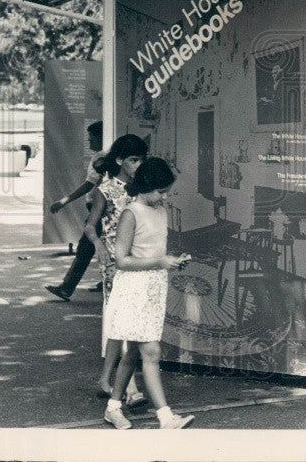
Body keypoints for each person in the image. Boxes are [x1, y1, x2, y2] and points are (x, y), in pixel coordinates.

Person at [103, 158, 194, 429]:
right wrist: (160, 262)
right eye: (161, 191)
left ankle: (113, 408)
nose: (164, 196)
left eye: (166, 191)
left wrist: (172, 260)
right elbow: (121, 260)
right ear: (145, 186)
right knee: (151, 352)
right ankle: (166, 417)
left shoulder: (160, 209)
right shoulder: (131, 213)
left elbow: (153, 251)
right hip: (133, 288)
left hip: (154, 285)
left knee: (131, 353)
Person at [88, 134, 150, 407]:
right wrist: (99, 246)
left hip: (140, 260)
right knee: (126, 320)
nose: (138, 165)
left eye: (141, 160)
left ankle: (105, 379)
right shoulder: (107, 189)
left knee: (120, 321)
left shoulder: (142, 188)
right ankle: (131, 387)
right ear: (120, 160)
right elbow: (90, 226)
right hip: (116, 263)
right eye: (133, 160)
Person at [46, 121, 105, 301]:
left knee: (85, 248)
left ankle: (66, 287)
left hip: (99, 209)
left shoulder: (101, 159)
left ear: (101, 137)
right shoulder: (107, 156)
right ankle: (106, 282)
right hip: (102, 208)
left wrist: (64, 200)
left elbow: (88, 185)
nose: (89, 143)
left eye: (92, 138)